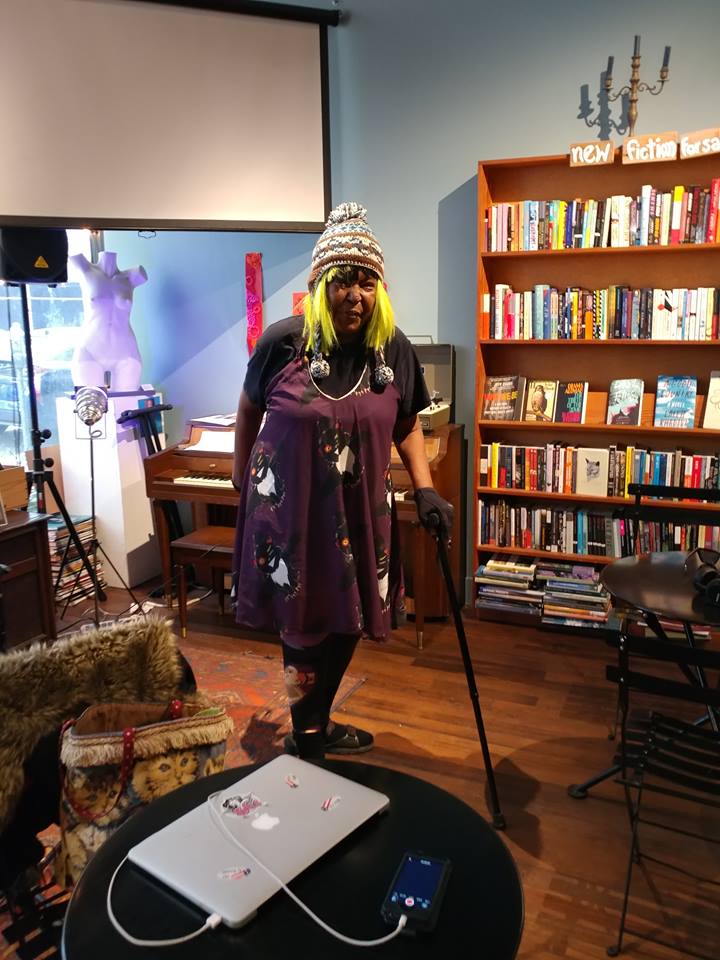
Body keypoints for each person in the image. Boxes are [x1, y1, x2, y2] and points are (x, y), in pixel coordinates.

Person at [231, 201, 453, 760]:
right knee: (301, 623)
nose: (355, 295)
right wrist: (240, 473)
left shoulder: (392, 348)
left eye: (366, 283)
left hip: (360, 512)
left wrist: (425, 487)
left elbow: (408, 423)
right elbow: (248, 406)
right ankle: (308, 736)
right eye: (342, 282)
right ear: (320, 286)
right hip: (292, 513)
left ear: (380, 290)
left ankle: (316, 721)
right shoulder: (282, 342)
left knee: (351, 617)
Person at [68, 250, 147, 392]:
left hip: (126, 352)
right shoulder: (83, 268)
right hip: (91, 350)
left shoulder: (132, 276)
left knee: (128, 404)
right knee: (92, 404)